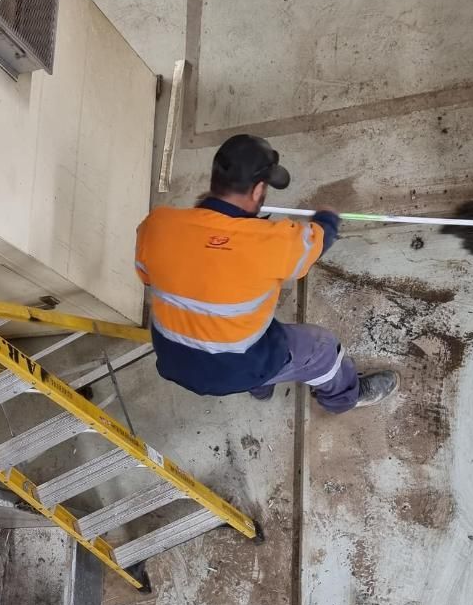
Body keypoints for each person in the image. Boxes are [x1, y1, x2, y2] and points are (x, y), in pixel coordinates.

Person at [134, 134, 398, 413]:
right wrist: (328, 218)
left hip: (173, 360)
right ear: (258, 190)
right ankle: (344, 397)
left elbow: (147, 277)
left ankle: (261, 386)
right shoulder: (272, 242)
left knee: (245, 320)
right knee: (322, 348)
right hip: (236, 367)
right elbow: (318, 240)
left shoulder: (157, 225)